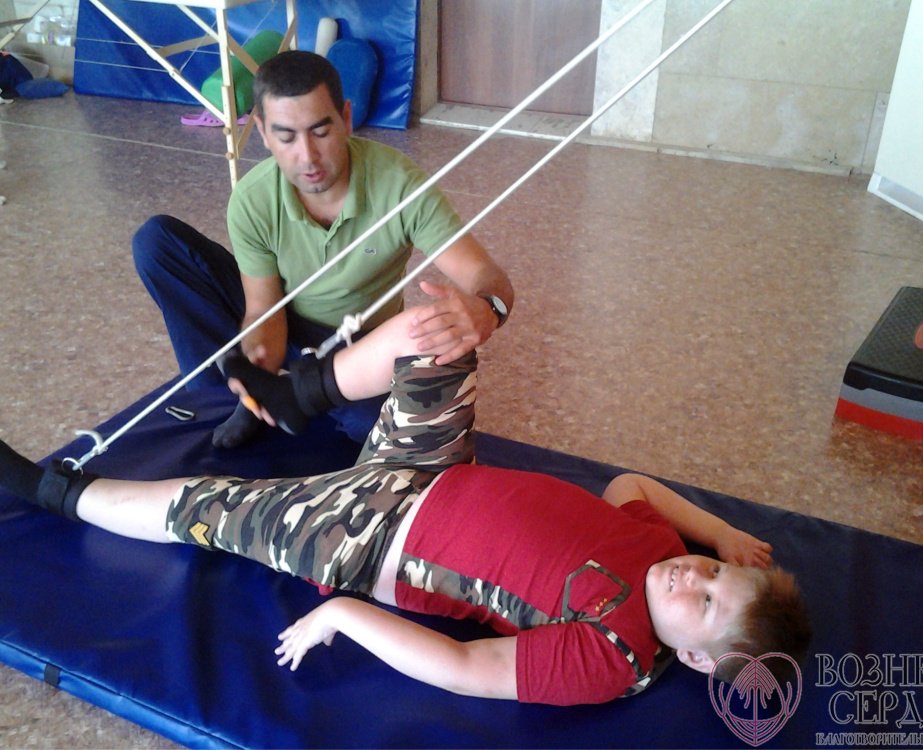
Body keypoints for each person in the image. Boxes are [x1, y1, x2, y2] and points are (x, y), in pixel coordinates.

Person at [0, 309, 811, 706]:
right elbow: (632, 486)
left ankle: (53, 491)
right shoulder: (663, 548)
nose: (691, 577)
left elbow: (467, 668)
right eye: (711, 572)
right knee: (443, 334)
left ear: (695, 659)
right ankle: (294, 397)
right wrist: (721, 531)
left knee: (202, 508)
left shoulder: (616, 655)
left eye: (706, 603)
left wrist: (342, 617)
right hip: (426, 468)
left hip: (368, 538)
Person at [132, 50, 513, 449]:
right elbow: (264, 308)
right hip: (286, 318)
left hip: (357, 344)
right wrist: (257, 371)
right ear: (262, 132)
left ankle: (301, 394)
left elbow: (487, 277)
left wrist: (488, 309)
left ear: (346, 118)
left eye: (320, 131)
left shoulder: (400, 186)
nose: (307, 156)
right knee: (157, 242)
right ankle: (239, 399)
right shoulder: (252, 198)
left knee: (384, 428)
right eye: (286, 137)